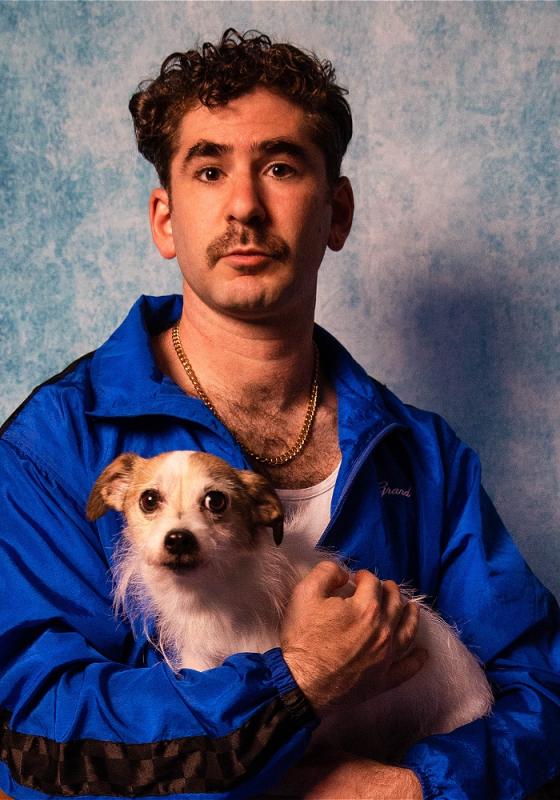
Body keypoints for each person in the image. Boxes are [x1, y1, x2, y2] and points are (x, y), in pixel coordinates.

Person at [0, 28, 559, 800]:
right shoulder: (52, 446)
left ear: (336, 212)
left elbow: (543, 692)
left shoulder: (423, 456)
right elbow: (34, 736)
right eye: (209, 170)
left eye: (280, 167)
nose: (244, 206)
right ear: (164, 220)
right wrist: (299, 679)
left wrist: (414, 788)